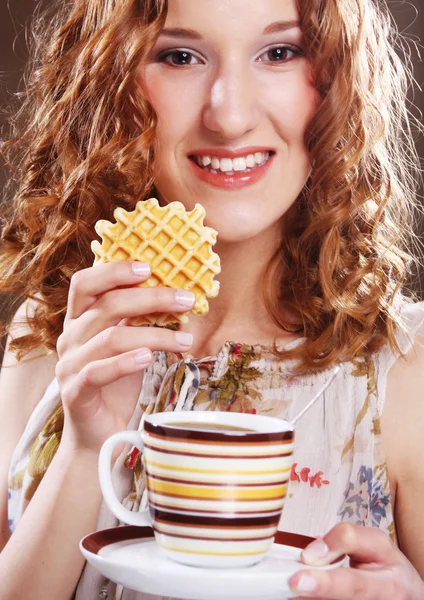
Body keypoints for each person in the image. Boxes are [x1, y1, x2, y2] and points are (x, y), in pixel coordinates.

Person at [0, 0, 423, 598]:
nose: (228, 115)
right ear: (115, 81)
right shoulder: (50, 337)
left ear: (338, 83)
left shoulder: (407, 367)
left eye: (280, 52)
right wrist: (86, 445)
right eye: (179, 56)